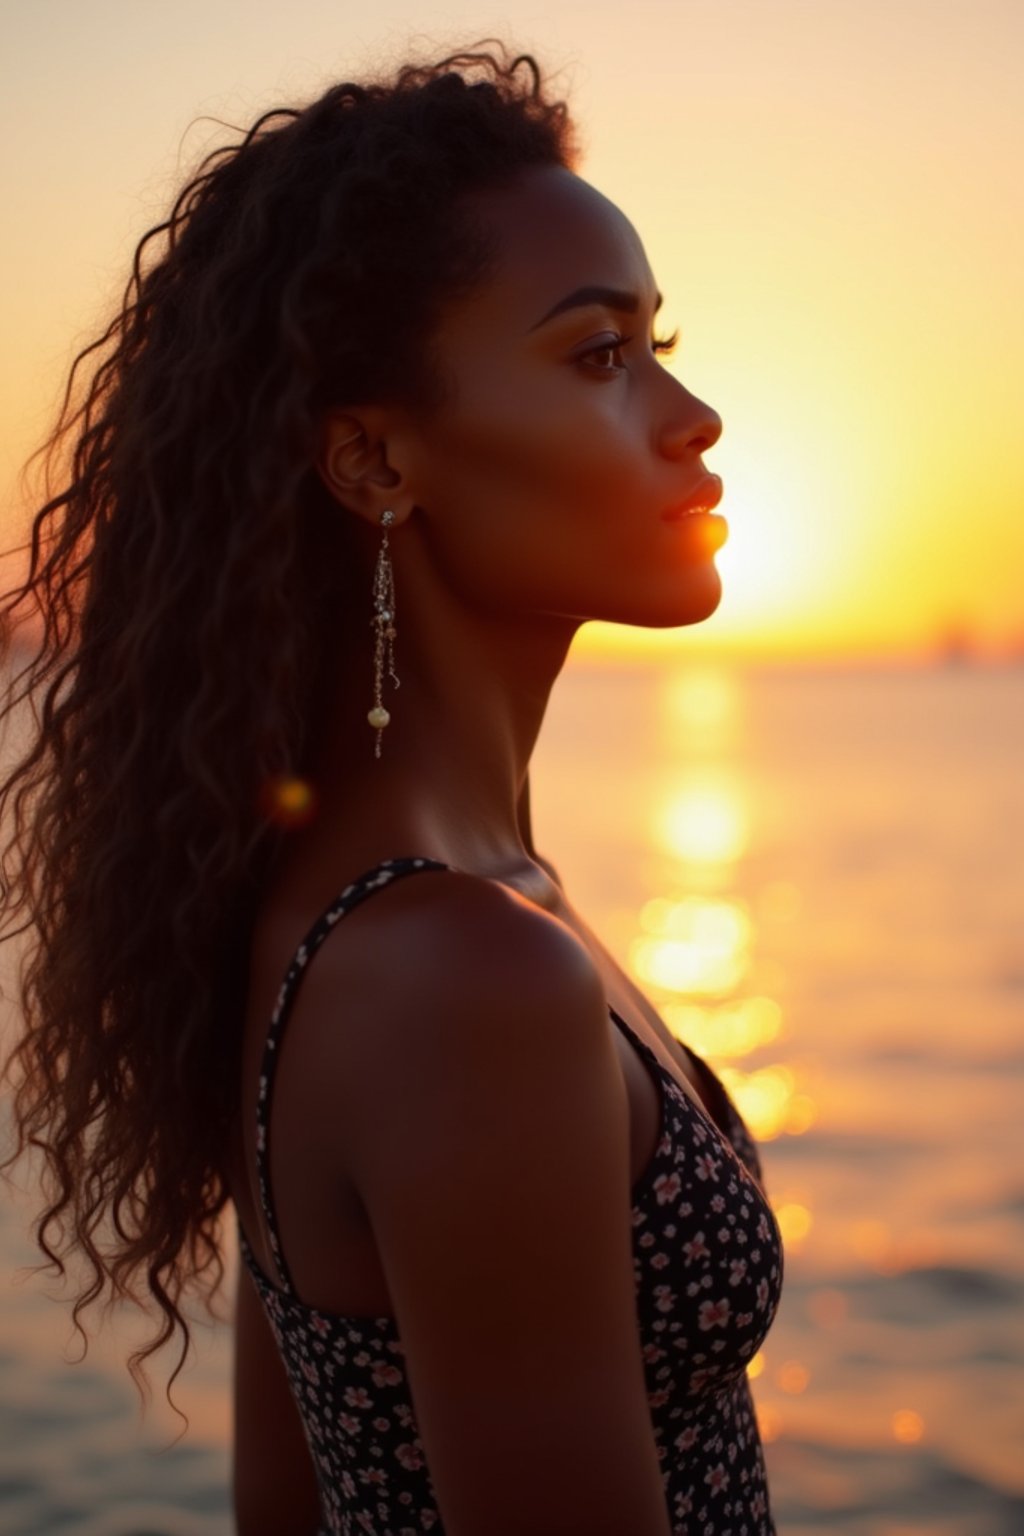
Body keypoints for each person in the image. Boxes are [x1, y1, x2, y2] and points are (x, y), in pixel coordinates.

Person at [0, 42, 784, 1536]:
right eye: (599, 354)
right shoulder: (456, 976)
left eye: (658, 339)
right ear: (372, 457)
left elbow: (281, 1508)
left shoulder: (447, 901)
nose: (694, 416)